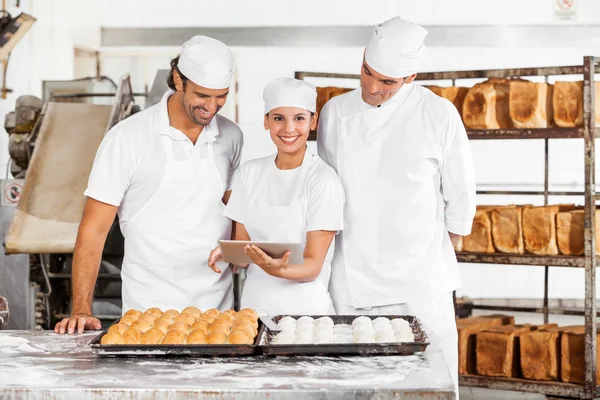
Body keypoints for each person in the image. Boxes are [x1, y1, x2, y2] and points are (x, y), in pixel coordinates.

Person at [317, 17, 476, 394]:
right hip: (352, 276)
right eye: (367, 73)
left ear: (410, 76)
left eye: (386, 81)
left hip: (420, 281)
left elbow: (461, 194)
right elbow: (324, 190)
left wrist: (429, 255)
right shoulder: (335, 112)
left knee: (430, 383)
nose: (372, 87)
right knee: (358, 384)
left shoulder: (438, 114)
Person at [55, 35, 244, 334]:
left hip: (216, 316)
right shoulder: (128, 138)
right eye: (202, 95)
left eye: (220, 96)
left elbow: (235, 211)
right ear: (178, 80)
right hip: (147, 314)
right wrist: (81, 308)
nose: (212, 106)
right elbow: (93, 229)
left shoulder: (231, 136)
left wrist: (246, 252)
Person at [208, 77, 344, 316]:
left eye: (299, 118)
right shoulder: (250, 173)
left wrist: (276, 269)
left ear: (313, 122)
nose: (289, 128)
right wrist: (227, 252)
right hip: (254, 314)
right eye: (278, 118)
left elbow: (312, 267)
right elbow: (243, 252)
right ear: (266, 121)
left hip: (307, 315)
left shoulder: (324, 180)